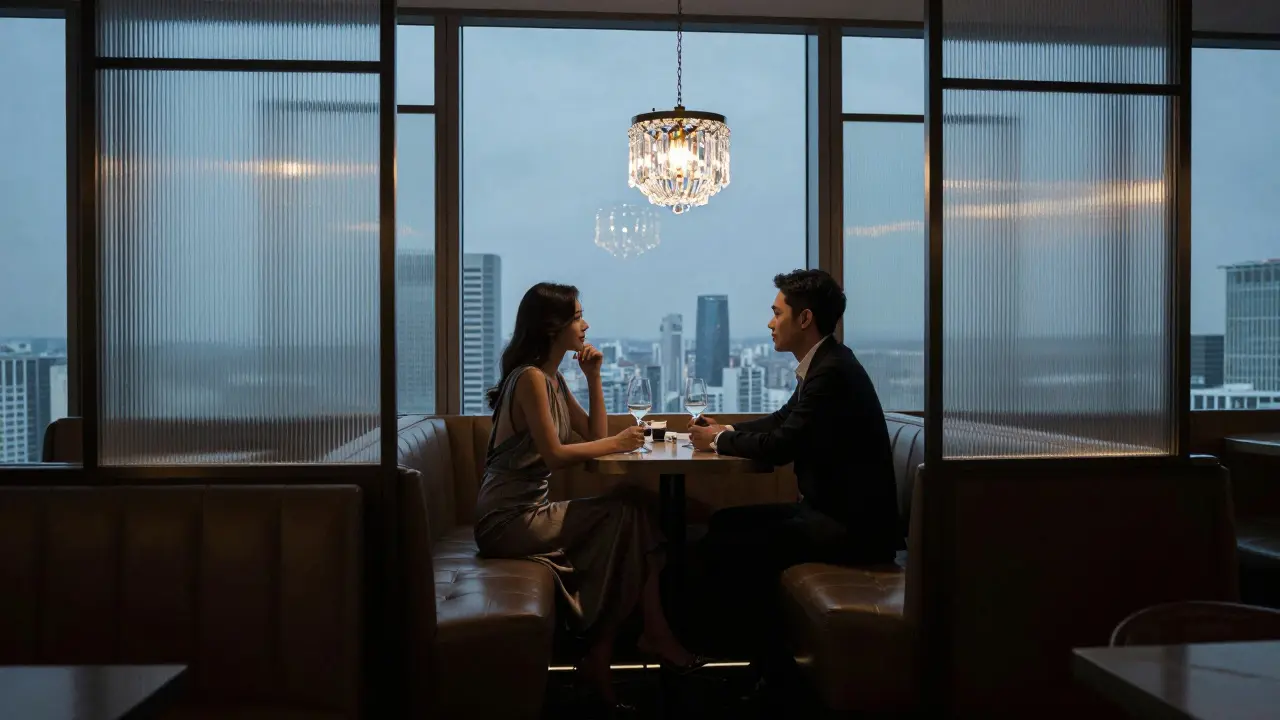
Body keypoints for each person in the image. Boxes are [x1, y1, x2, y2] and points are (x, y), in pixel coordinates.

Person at [474, 282, 705, 713]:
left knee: (631, 511)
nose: (586, 324)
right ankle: (635, 640)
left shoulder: (552, 378)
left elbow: (594, 436)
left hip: (529, 513)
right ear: (552, 326)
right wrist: (619, 443)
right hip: (506, 521)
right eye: (578, 316)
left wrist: (594, 378)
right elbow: (558, 456)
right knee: (629, 513)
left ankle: (609, 651)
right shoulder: (528, 379)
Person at [687, 269, 902, 676]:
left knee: (727, 547)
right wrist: (726, 431)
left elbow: (783, 445)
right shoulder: (825, 364)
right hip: (828, 514)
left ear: (804, 319)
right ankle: (762, 661)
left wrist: (716, 441)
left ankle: (771, 669)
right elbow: (782, 419)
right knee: (723, 523)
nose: (770, 323)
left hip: (851, 529)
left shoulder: (831, 372)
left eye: (776, 312)